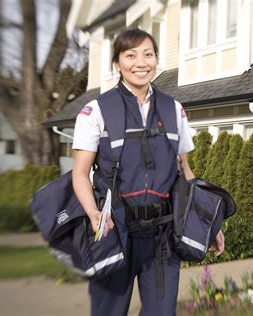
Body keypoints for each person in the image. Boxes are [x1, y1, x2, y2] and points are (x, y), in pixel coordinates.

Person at [72, 29, 225, 316]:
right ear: (117, 63)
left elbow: (185, 170)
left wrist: (209, 224)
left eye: (148, 54)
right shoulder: (95, 111)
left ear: (156, 60)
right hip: (114, 232)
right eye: (130, 55)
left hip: (163, 236)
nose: (140, 63)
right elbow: (80, 174)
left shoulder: (174, 109)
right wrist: (94, 214)